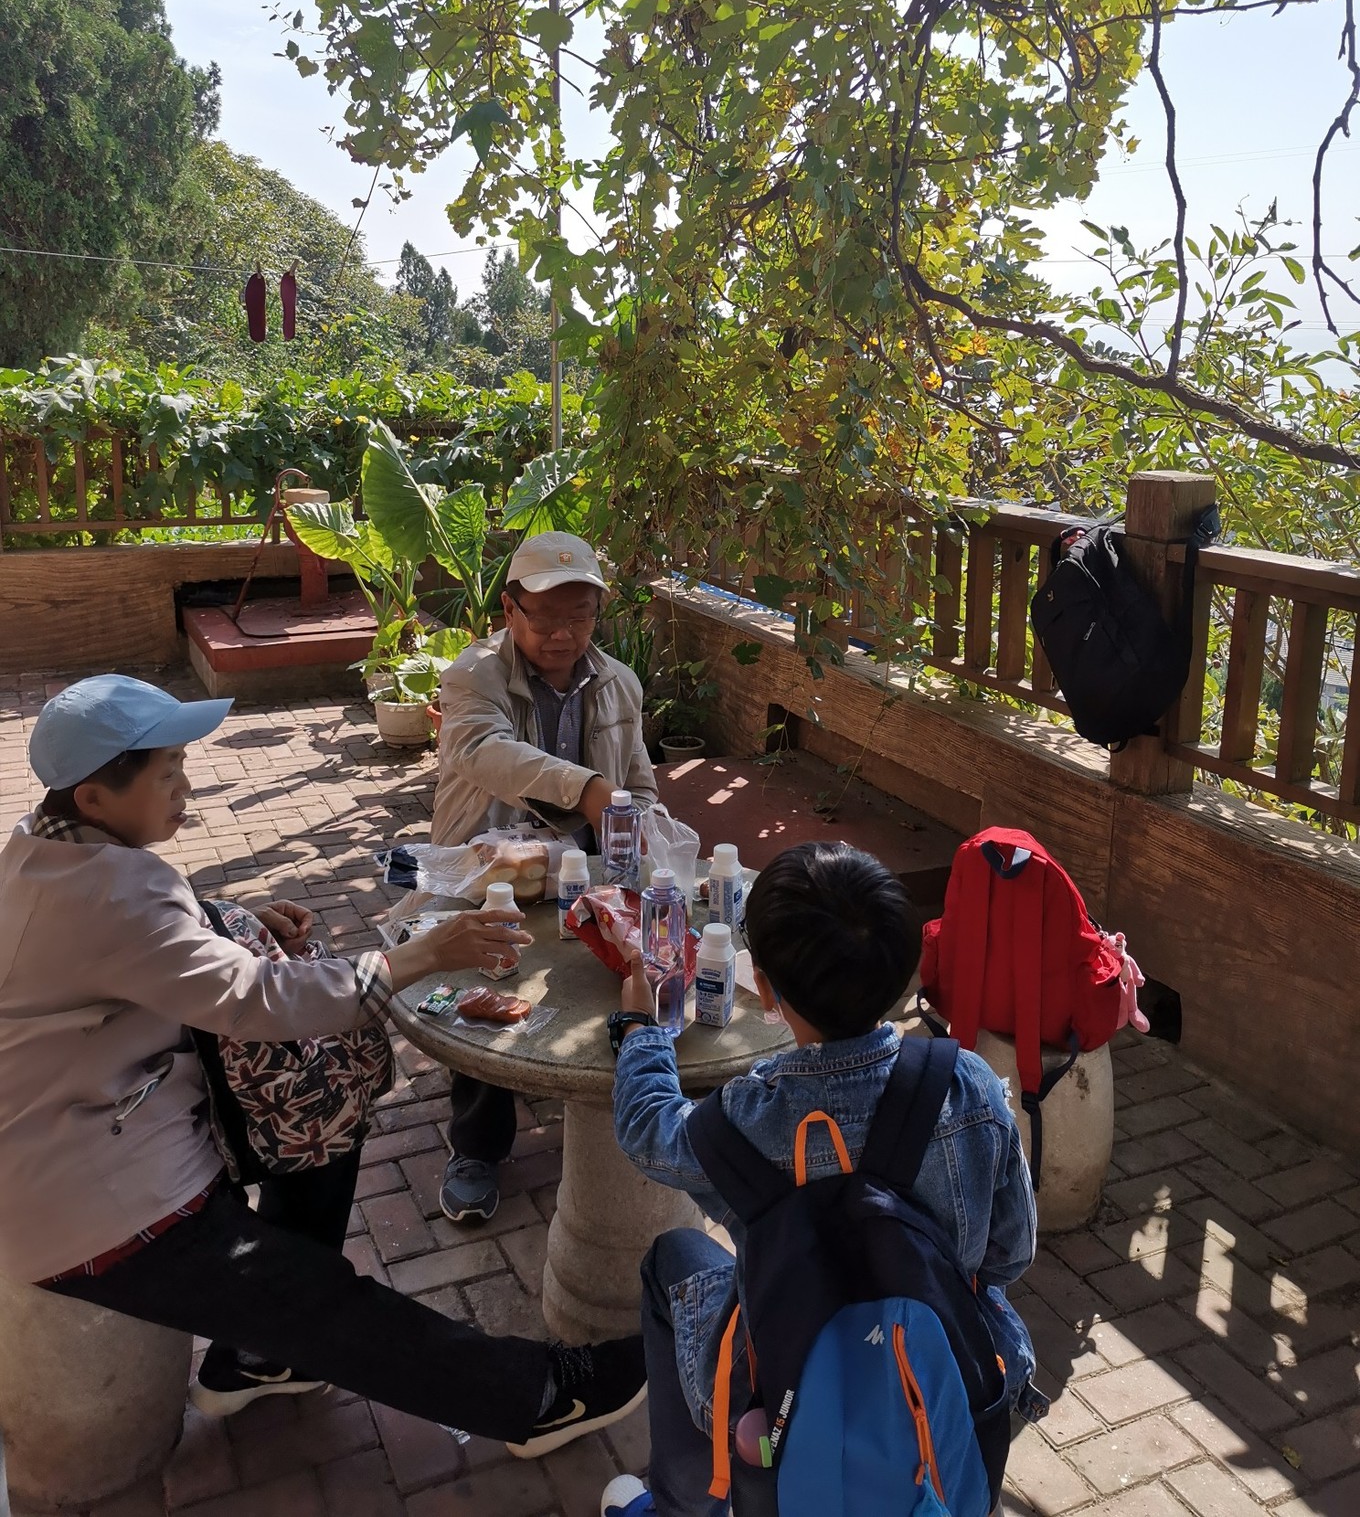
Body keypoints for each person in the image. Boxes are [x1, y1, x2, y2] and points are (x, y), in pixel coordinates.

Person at [0, 675, 644, 1455]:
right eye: (167, 773)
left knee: (322, 1107)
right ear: (96, 796)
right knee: (324, 1303)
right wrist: (421, 954)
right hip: (93, 1195)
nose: (185, 787)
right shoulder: (108, 895)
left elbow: (138, 944)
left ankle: (261, 1354)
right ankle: (536, 1396)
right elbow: (257, 998)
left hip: (118, 1121)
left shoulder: (44, 846)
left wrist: (223, 922)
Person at [601, 841, 1045, 1517]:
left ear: (766, 989)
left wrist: (642, 1028)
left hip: (781, 1396)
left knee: (674, 1259)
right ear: (902, 972)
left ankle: (682, 1503)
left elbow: (645, 1125)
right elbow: (1009, 1255)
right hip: (947, 1379)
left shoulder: (747, 1117)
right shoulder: (968, 1085)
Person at [424, 530, 657, 1225]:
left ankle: (599, 1102)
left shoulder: (618, 682)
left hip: (585, 868)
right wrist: (586, 787)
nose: (563, 634)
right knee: (487, 985)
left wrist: (640, 826)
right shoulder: (475, 674)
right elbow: (484, 750)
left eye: (580, 617)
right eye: (546, 617)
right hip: (491, 867)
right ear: (509, 609)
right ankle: (476, 1145)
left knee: (597, 979)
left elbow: (639, 783)